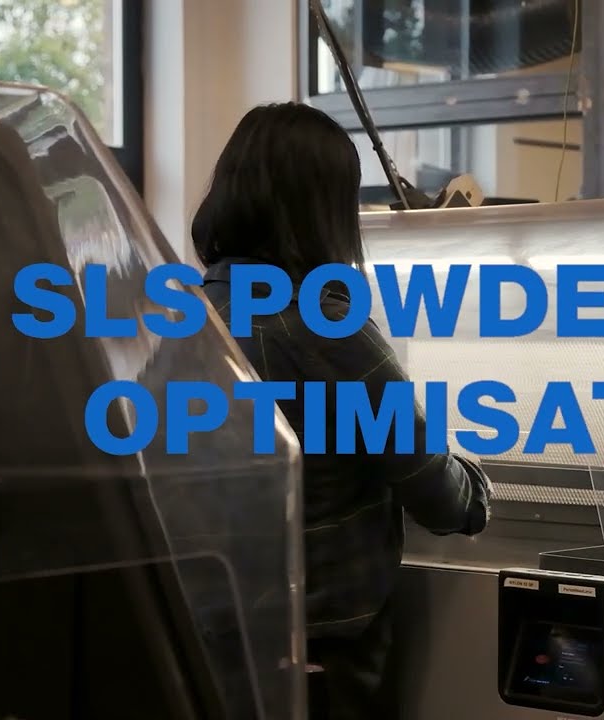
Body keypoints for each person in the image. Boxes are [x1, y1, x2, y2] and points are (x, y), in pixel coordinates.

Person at [192, 102, 493, 720]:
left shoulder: (185, 316)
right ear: (323, 207)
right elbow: (439, 495)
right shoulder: (325, 325)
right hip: (318, 654)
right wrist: (479, 484)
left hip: (212, 638)